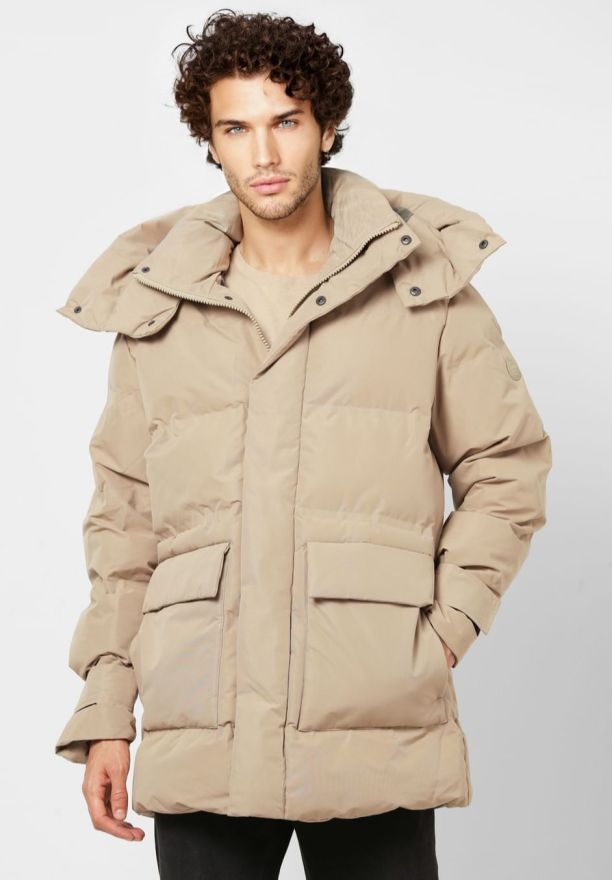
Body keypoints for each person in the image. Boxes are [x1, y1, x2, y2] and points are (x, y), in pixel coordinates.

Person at [53, 9, 552, 879]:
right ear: (210, 141)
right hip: (201, 730)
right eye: (235, 129)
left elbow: (506, 468)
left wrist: (440, 633)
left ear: (326, 124)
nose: (264, 153)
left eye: (285, 121)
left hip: (373, 726)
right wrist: (105, 711)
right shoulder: (160, 305)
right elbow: (125, 523)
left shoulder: (424, 289)